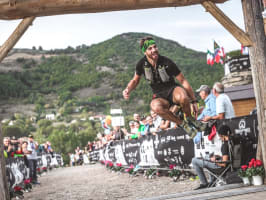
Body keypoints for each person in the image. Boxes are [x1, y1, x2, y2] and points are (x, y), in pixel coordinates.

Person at [122, 36, 205, 137]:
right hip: (159, 95)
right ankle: (182, 124)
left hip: (173, 90)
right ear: (144, 52)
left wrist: (194, 100)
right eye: (150, 48)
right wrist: (128, 89)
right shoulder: (141, 64)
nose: (154, 50)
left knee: (183, 97)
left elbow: (183, 81)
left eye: (155, 47)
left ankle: (190, 119)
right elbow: (135, 80)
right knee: (154, 107)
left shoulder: (167, 62)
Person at [192, 124, 231, 190]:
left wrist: (214, 161)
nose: (219, 137)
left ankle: (204, 183)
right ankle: (212, 181)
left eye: (219, 136)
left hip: (220, 168)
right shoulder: (231, 141)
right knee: (208, 156)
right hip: (226, 164)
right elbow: (227, 157)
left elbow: (224, 164)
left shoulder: (225, 145)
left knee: (194, 161)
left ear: (222, 135)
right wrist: (218, 157)